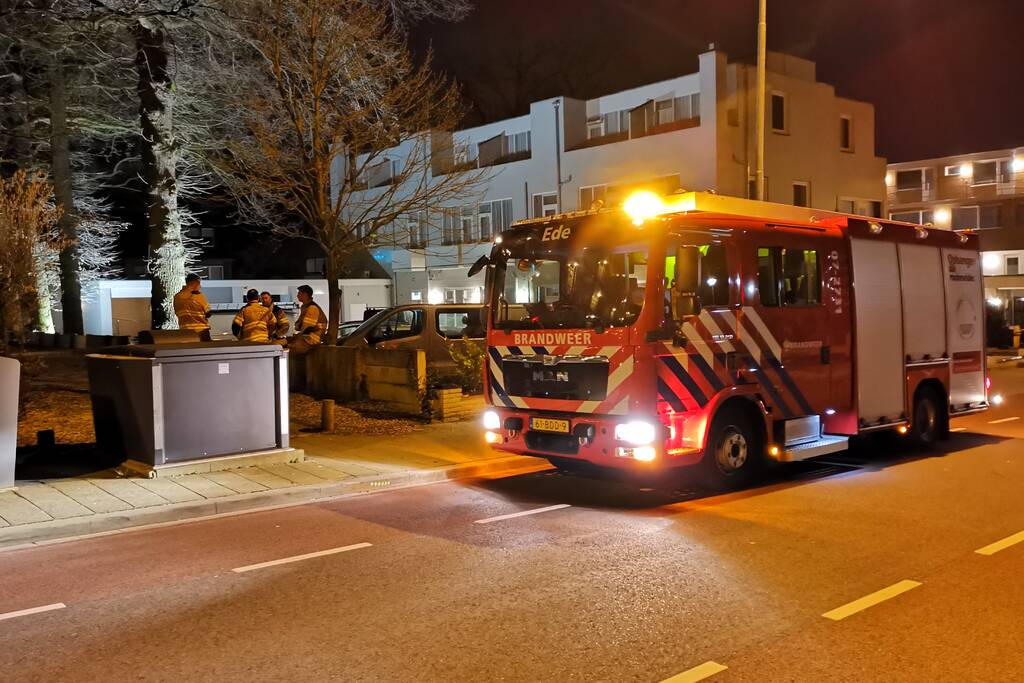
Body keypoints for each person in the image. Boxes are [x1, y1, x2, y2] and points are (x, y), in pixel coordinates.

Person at [286, 284, 327, 354]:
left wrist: (299, 330)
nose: (297, 295)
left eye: (299, 293)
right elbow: (298, 326)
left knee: (291, 348)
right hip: (307, 338)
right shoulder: (305, 307)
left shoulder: (312, 308)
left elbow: (305, 327)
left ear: (305, 294)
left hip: (311, 339)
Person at [173, 273, 212, 341]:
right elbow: (208, 313)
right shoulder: (198, 296)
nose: (200, 286)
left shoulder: (177, 297)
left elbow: (177, 312)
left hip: (185, 331)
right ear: (196, 283)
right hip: (201, 331)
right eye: (199, 284)